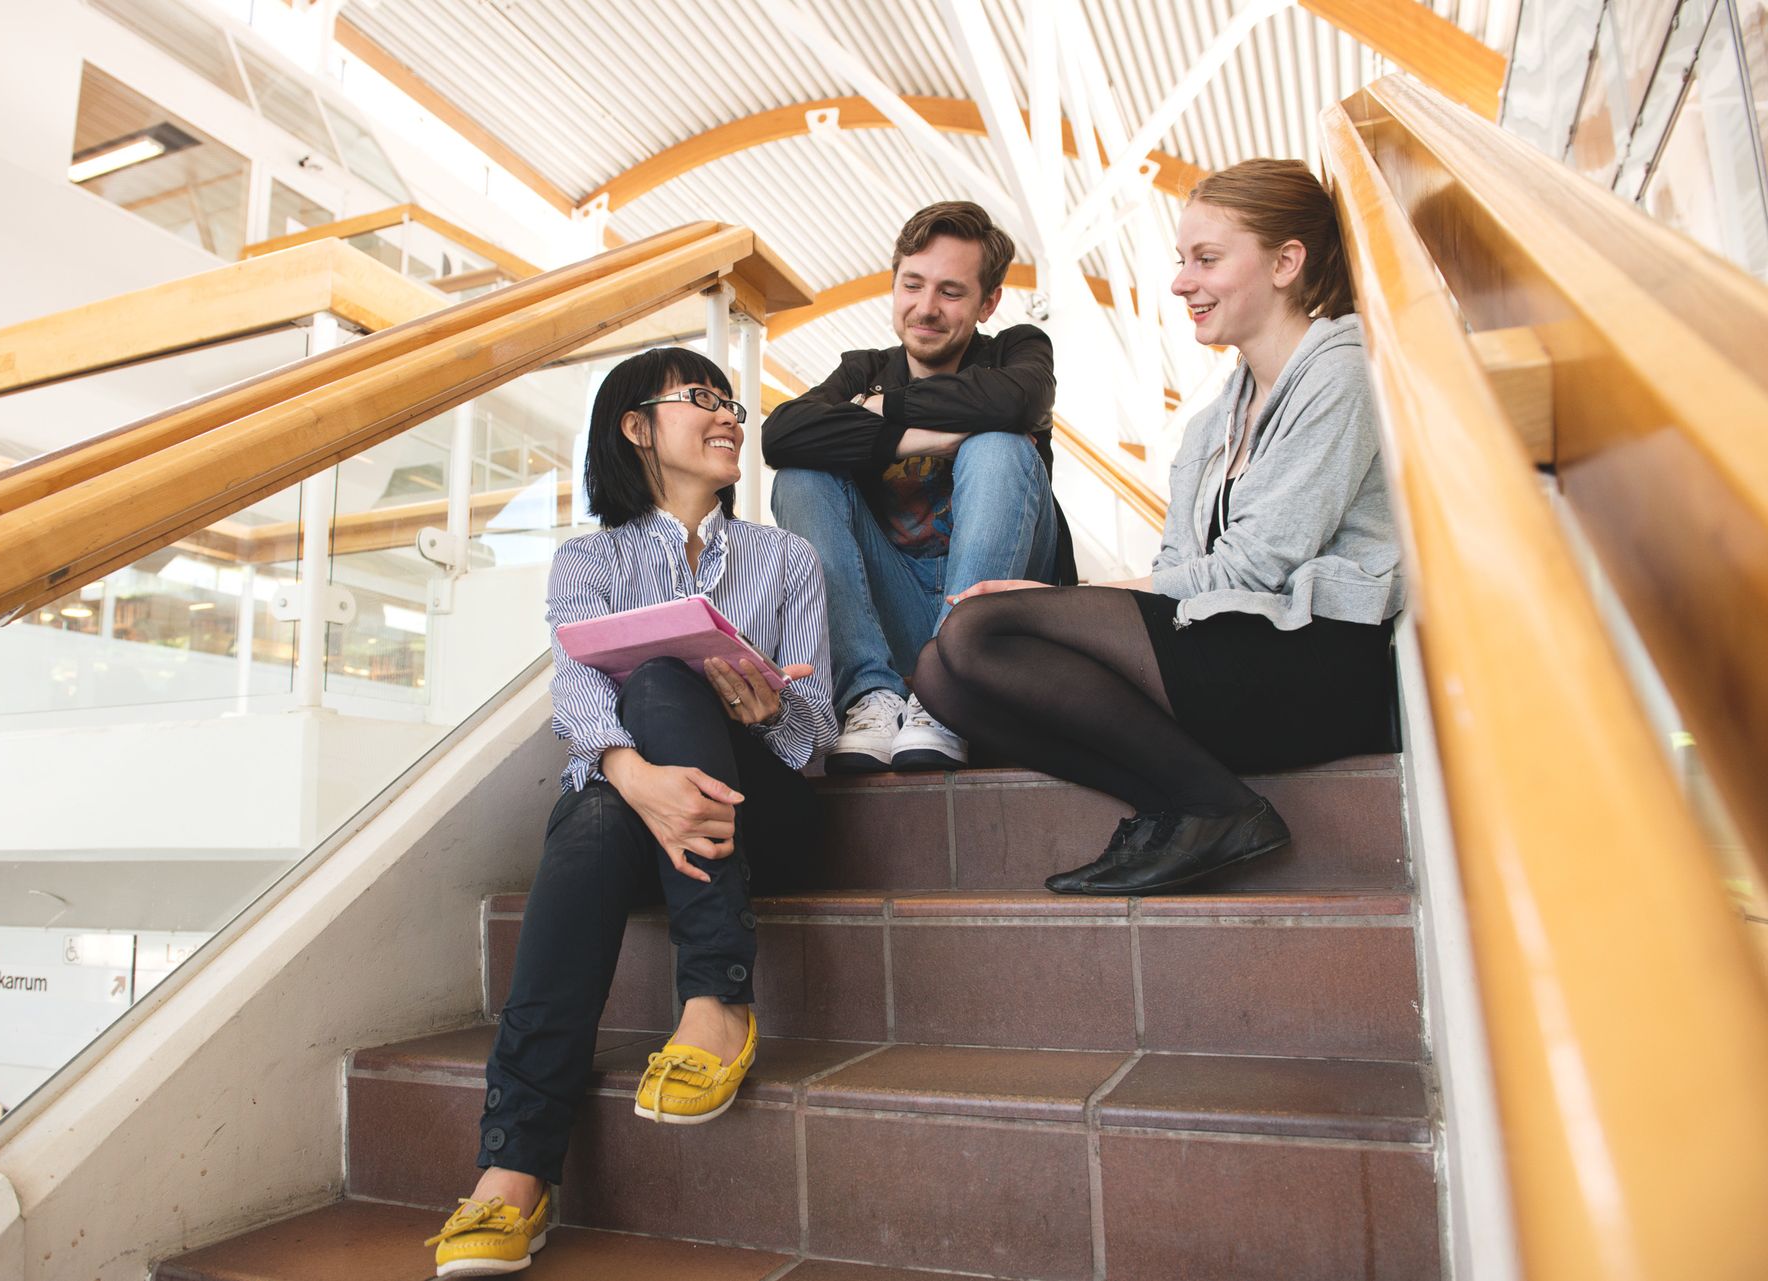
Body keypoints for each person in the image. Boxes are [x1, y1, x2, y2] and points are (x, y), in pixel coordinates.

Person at [426, 347, 836, 1275]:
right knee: (602, 800)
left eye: (732, 401)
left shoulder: (787, 559)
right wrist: (633, 772)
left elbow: (816, 736)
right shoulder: (588, 560)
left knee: (655, 679)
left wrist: (769, 710)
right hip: (631, 814)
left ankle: (702, 1008)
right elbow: (574, 695)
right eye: (702, 399)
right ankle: (514, 1173)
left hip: (760, 813)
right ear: (636, 427)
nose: (729, 414)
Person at [912, 158, 1402, 895]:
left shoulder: (1341, 372)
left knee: (979, 630)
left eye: (1206, 259)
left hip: (1318, 659)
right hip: (1228, 642)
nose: (1180, 282)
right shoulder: (1214, 421)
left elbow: (1255, 569)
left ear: (1285, 262)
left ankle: (1210, 802)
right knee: (940, 677)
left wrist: (1057, 605)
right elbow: (1181, 563)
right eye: (1182, 260)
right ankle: (1182, 797)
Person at [765, 200, 1074, 774]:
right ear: (894, 284)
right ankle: (870, 695)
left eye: (951, 292)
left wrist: (883, 410)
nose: (925, 309)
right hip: (895, 609)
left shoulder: (1016, 351)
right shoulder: (862, 368)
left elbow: (1018, 401)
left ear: (988, 303)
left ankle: (951, 691)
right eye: (912, 285)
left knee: (998, 444)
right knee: (802, 473)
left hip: (1002, 617)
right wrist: (919, 440)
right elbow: (780, 435)